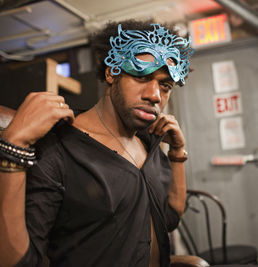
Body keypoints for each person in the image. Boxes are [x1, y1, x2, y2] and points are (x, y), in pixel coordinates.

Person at [0, 19, 193, 267]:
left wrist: (177, 153)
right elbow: (16, 262)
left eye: (165, 85)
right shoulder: (60, 149)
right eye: (141, 76)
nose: (155, 95)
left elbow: (169, 218)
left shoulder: (150, 143)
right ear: (111, 72)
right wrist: (13, 146)